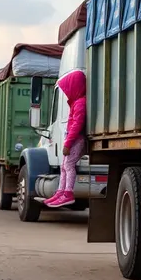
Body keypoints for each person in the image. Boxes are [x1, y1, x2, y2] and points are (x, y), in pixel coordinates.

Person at [45, 70, 86, 208]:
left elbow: (77, 125)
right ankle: (60, 192)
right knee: (64, 166)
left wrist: (68, 143)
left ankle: (67, 193)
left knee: (68, 166)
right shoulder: (76, 103)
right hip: (72, 139)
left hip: (75, 140)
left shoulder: (80, 103)